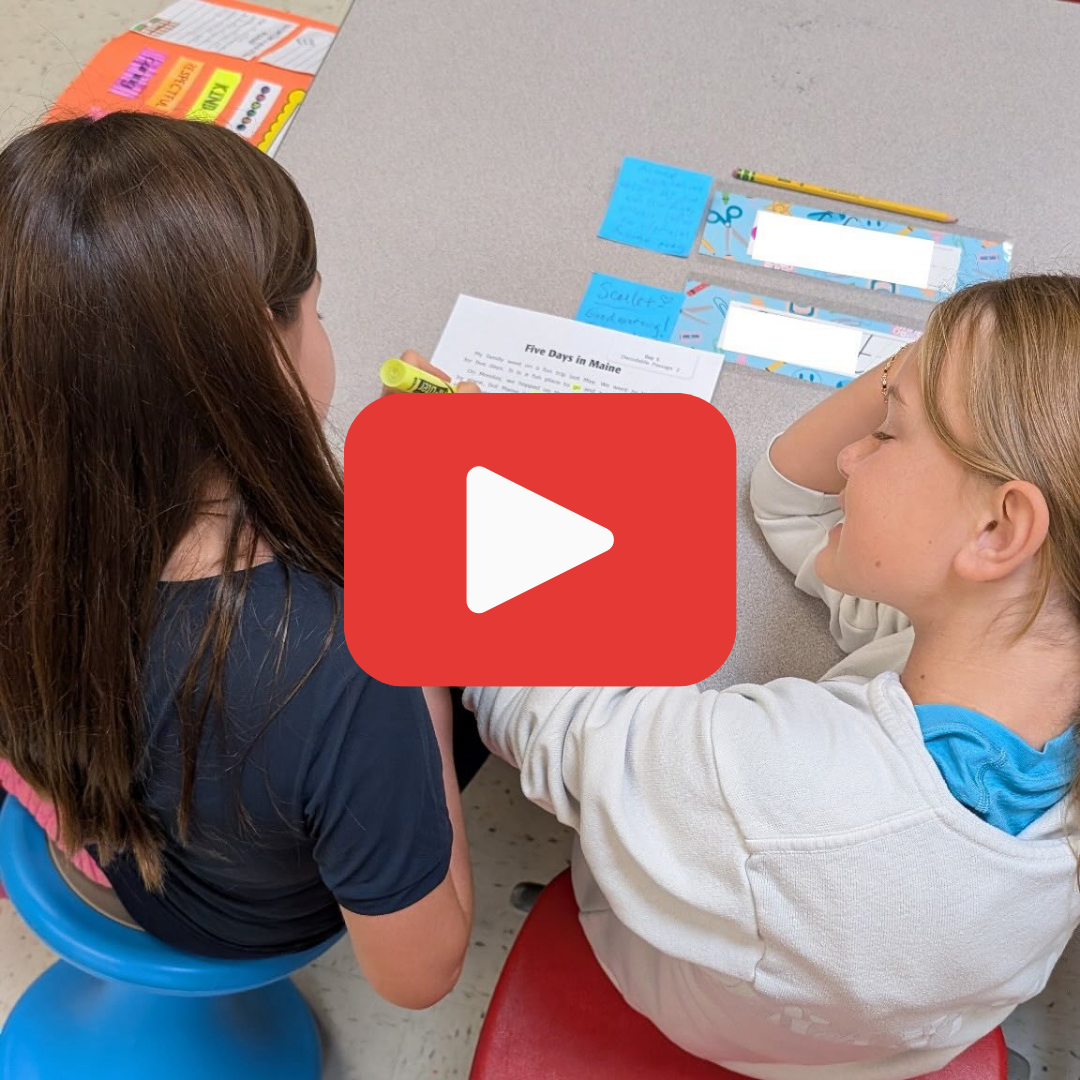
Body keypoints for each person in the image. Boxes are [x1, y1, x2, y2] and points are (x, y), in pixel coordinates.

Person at [465, 274, 1080, 1077]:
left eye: (887, 434)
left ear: (1000, 529)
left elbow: (538, 715)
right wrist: (927, 373)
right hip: (875, 1042)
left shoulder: (776, 786)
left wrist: (459, 481)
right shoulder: (1018, 639)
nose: (852, 456)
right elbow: (793, 497)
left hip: (702, 1004)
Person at [0, 112, 478, 1010]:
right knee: (480, 698)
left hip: (116, 823)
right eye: (318, 310)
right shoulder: (334, 661)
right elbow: (421, 974)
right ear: (263, 351)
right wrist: (410, 642)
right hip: (234, 911)